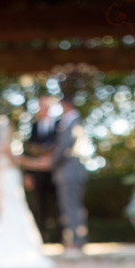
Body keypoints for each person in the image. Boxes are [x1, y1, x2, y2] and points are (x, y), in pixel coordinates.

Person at [0, 115, 54, 268]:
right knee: (14, 210)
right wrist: (34, 162)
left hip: (7, 179)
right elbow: (16, 161)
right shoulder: (6, 147)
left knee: (11, 211)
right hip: (10, 179)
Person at [50, 93, 88, 257]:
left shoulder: (72, 122)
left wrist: (51, 161)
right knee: (71, 207)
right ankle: (75, 238)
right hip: (68, 173)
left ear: (66, 105)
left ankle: (76, 240)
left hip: (70, 173)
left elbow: (65, 148)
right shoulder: (70, 122)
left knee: (72, 207)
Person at [24, 95, 59, 240]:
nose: (43, 109)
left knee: (58, 205)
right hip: (38, 173)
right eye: (41, 106)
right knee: (39, 205)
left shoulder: (59, 125)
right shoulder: (33, 126)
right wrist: (28, 174)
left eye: (46, 106)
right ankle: (40, 237)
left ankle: (60, 237)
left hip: (56, 172)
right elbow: (28, 150)